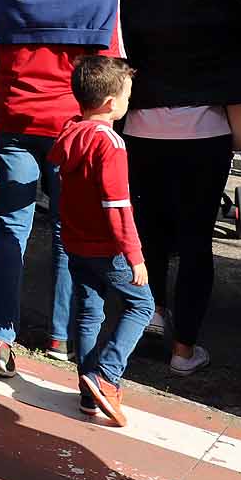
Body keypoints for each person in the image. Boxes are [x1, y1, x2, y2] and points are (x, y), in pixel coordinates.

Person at [121, 0, 241, 376]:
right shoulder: (226, 6)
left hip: (141, 129)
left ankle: (149, 314)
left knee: (148, 230)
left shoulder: (132, 3)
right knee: (195, 241)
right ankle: (184, 351)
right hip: (205, 132)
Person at [0, 0, 122, 375]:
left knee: (12, 227)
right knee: (69, 231)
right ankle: (61, 336)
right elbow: (109, 63)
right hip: (72, 126)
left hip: (13, 117)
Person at [50, 56, 152, 428]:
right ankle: (106, 376)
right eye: (127, 95)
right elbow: (117, 206)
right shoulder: (110, 143)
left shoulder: (70, 132)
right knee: (142, 306)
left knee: (89, 311)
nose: (129, 102)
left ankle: (87, 393)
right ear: (111, 103)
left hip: (75, 242)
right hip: (108, 247)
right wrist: (135, 256)